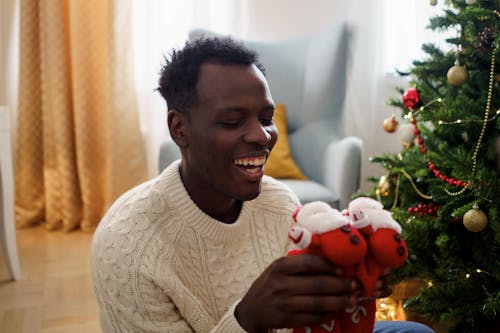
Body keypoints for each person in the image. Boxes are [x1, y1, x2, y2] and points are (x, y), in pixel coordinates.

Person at [90, 37, 434, 333]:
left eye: (266, 118)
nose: (262, 136)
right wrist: (247, 320)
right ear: (180, 129)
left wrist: (349, 285)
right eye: (231, 121)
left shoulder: (276, 200)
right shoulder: (127, 246)